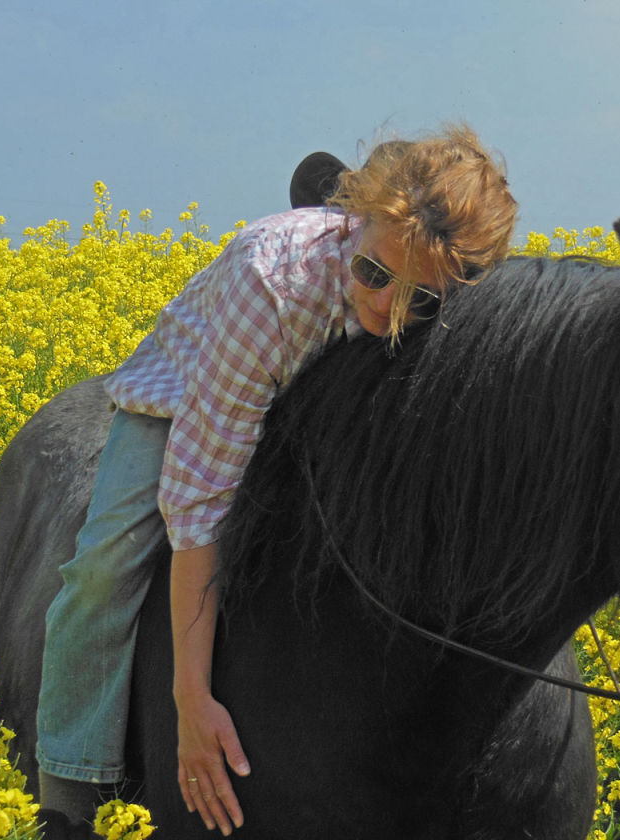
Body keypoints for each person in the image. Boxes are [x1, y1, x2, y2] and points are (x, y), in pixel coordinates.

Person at [35, 124, 518, 834]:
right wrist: (192, 704)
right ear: (357, 220)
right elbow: (198, 502)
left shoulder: (449, 306)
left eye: (420, 302)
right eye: (375, 274)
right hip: (186, 396)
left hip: (310, 405)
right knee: (106, 565)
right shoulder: (273, 282)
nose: (388, 309)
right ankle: (68, 790)